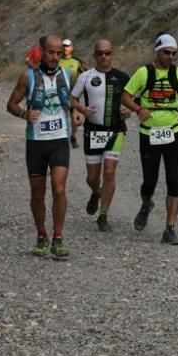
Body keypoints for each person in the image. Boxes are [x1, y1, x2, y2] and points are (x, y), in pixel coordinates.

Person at [121, 33, 178, 245]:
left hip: (173, 132)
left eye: (173, 53)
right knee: (149, 182)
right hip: (149, 134)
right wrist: (138, 109)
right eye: (166, 52)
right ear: (158, 51)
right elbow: (125, 96)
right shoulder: (144, 73)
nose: (170, 56)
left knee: (173, 181)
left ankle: (169, 229)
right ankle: (146, 204)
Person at [6, 35, 74, 259]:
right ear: (42, 52)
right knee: (38, 193)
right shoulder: (28, 76)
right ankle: (42, 235)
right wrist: (25, 113)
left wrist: (78, 114)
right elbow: (11, 104)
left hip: (59, 140)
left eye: (58, 53)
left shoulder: (66, 74)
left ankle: (58, 238)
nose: (55, 57)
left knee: (59, 188)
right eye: (51, 52)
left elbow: (68, 101)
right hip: (36, 142)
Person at [70, 40, 131, 232]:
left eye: (107, 53)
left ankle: (103, 215)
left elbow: (131, 100)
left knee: (110, 172)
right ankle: (96, 192)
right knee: (92, 177)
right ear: (94, 55)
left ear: (112, 54)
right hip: (93, 131)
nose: (103, 57)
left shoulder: (122, 77)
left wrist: (128, 109)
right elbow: (72, 98)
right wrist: (81, 108)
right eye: (99, 53)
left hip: (115, 130)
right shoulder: (86, 77)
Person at [59, 38, 84, 148]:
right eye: (63, 46)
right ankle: (61, 138)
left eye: (67, 46)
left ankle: (73, 136)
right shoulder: (57, 61)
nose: (65, 48)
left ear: (72, 48)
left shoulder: (76, 62)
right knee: (60, 116)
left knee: (74, 118)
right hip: (59, 94)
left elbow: (85, 75)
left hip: (73, 94)